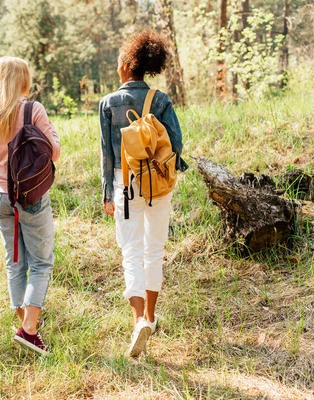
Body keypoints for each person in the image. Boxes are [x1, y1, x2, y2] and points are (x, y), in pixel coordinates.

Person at [99, 30, 188, 357]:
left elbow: (106, 154)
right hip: (158, 183)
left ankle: (139, 321)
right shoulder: (161, 100)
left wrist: (108, 191)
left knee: (131, 250)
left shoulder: (108, 103)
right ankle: (150, 316)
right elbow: (176, 144)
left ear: (126, 65)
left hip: (125, 183)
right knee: (154, 249)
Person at [0, 56, 61, 355]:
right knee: (41, 262)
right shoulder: (32, 109)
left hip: (1, 197)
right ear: (22, 80)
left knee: (15, 263)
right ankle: (29, 330)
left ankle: (25, 326)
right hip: (30, 197)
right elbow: (55, 152)